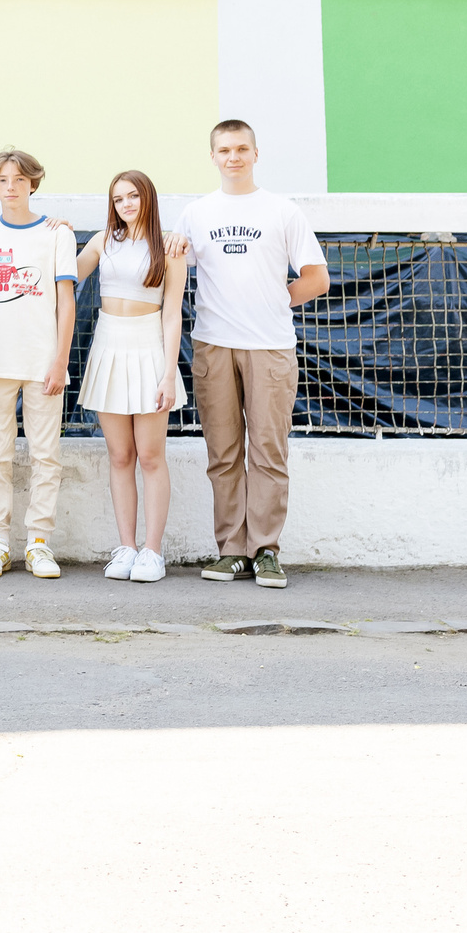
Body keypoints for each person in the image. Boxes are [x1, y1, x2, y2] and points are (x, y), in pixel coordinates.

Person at [182, 121, 328, 590]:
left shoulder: (282, 211)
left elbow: (317, 278)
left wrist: (273, 298)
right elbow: (166, 267)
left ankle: (265, 550)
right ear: (213, 156)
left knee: (268, 450)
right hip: (214, 345)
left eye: (241, 148)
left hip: (270, 346)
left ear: (256, 153)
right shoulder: (196, 213)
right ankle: (231, 552)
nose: (233, 157)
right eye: (224, 150)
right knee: (223, 453)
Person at [0, 148, 78, 580]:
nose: (10, 187)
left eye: (17, 179)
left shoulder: (57, 234)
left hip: (43, 362)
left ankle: (38, 543)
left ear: (32, 182)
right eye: (1, 180)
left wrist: (60, 361)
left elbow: (66, 303)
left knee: (45, 455)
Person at [76, 170, 187, 583]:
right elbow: (68, 272)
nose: (126, 204)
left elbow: (173, 313)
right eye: (118, 198)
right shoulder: (103, 240)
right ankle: (126, 547)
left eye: (133, 196)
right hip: (108, 345)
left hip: (149, 348)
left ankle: (152, 552)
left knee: (151, 456)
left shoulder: (169, 247)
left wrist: (168, 375)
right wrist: (53, 232)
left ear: (148, 198)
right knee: (120, 456)